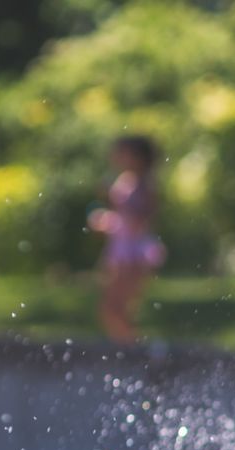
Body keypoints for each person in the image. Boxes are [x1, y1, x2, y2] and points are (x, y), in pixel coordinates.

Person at [88, 135, 164, 344]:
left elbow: (139, 221)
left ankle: (136, 351)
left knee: (116, 307)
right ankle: (129, 349)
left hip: (132, 251)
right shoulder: (126, 180)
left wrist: (108, 221)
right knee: (112, 308)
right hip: (121, 248)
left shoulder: (144, 185)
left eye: (123, 153)